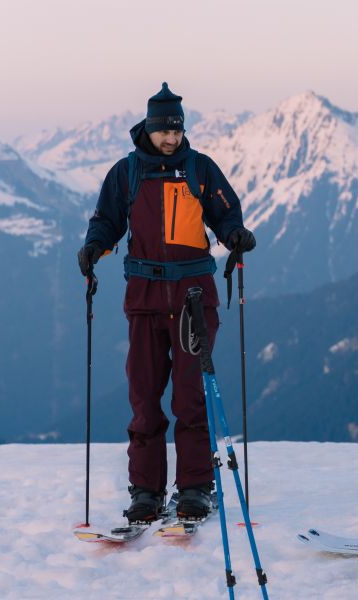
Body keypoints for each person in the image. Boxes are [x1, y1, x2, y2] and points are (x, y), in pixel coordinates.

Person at [76, 82, 257, 523]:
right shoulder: (127, 173)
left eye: (177, 131)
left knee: (191, 398)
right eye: (165, 132)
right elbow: (106, 221)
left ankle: (195, 488)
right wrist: (93, 247)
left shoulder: (200, 169)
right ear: (149, 130)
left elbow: (226, 215)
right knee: (144, 397)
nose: (172, 139)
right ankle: (146, 491)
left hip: (195, 298)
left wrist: (236, 235)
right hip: (144, 299)